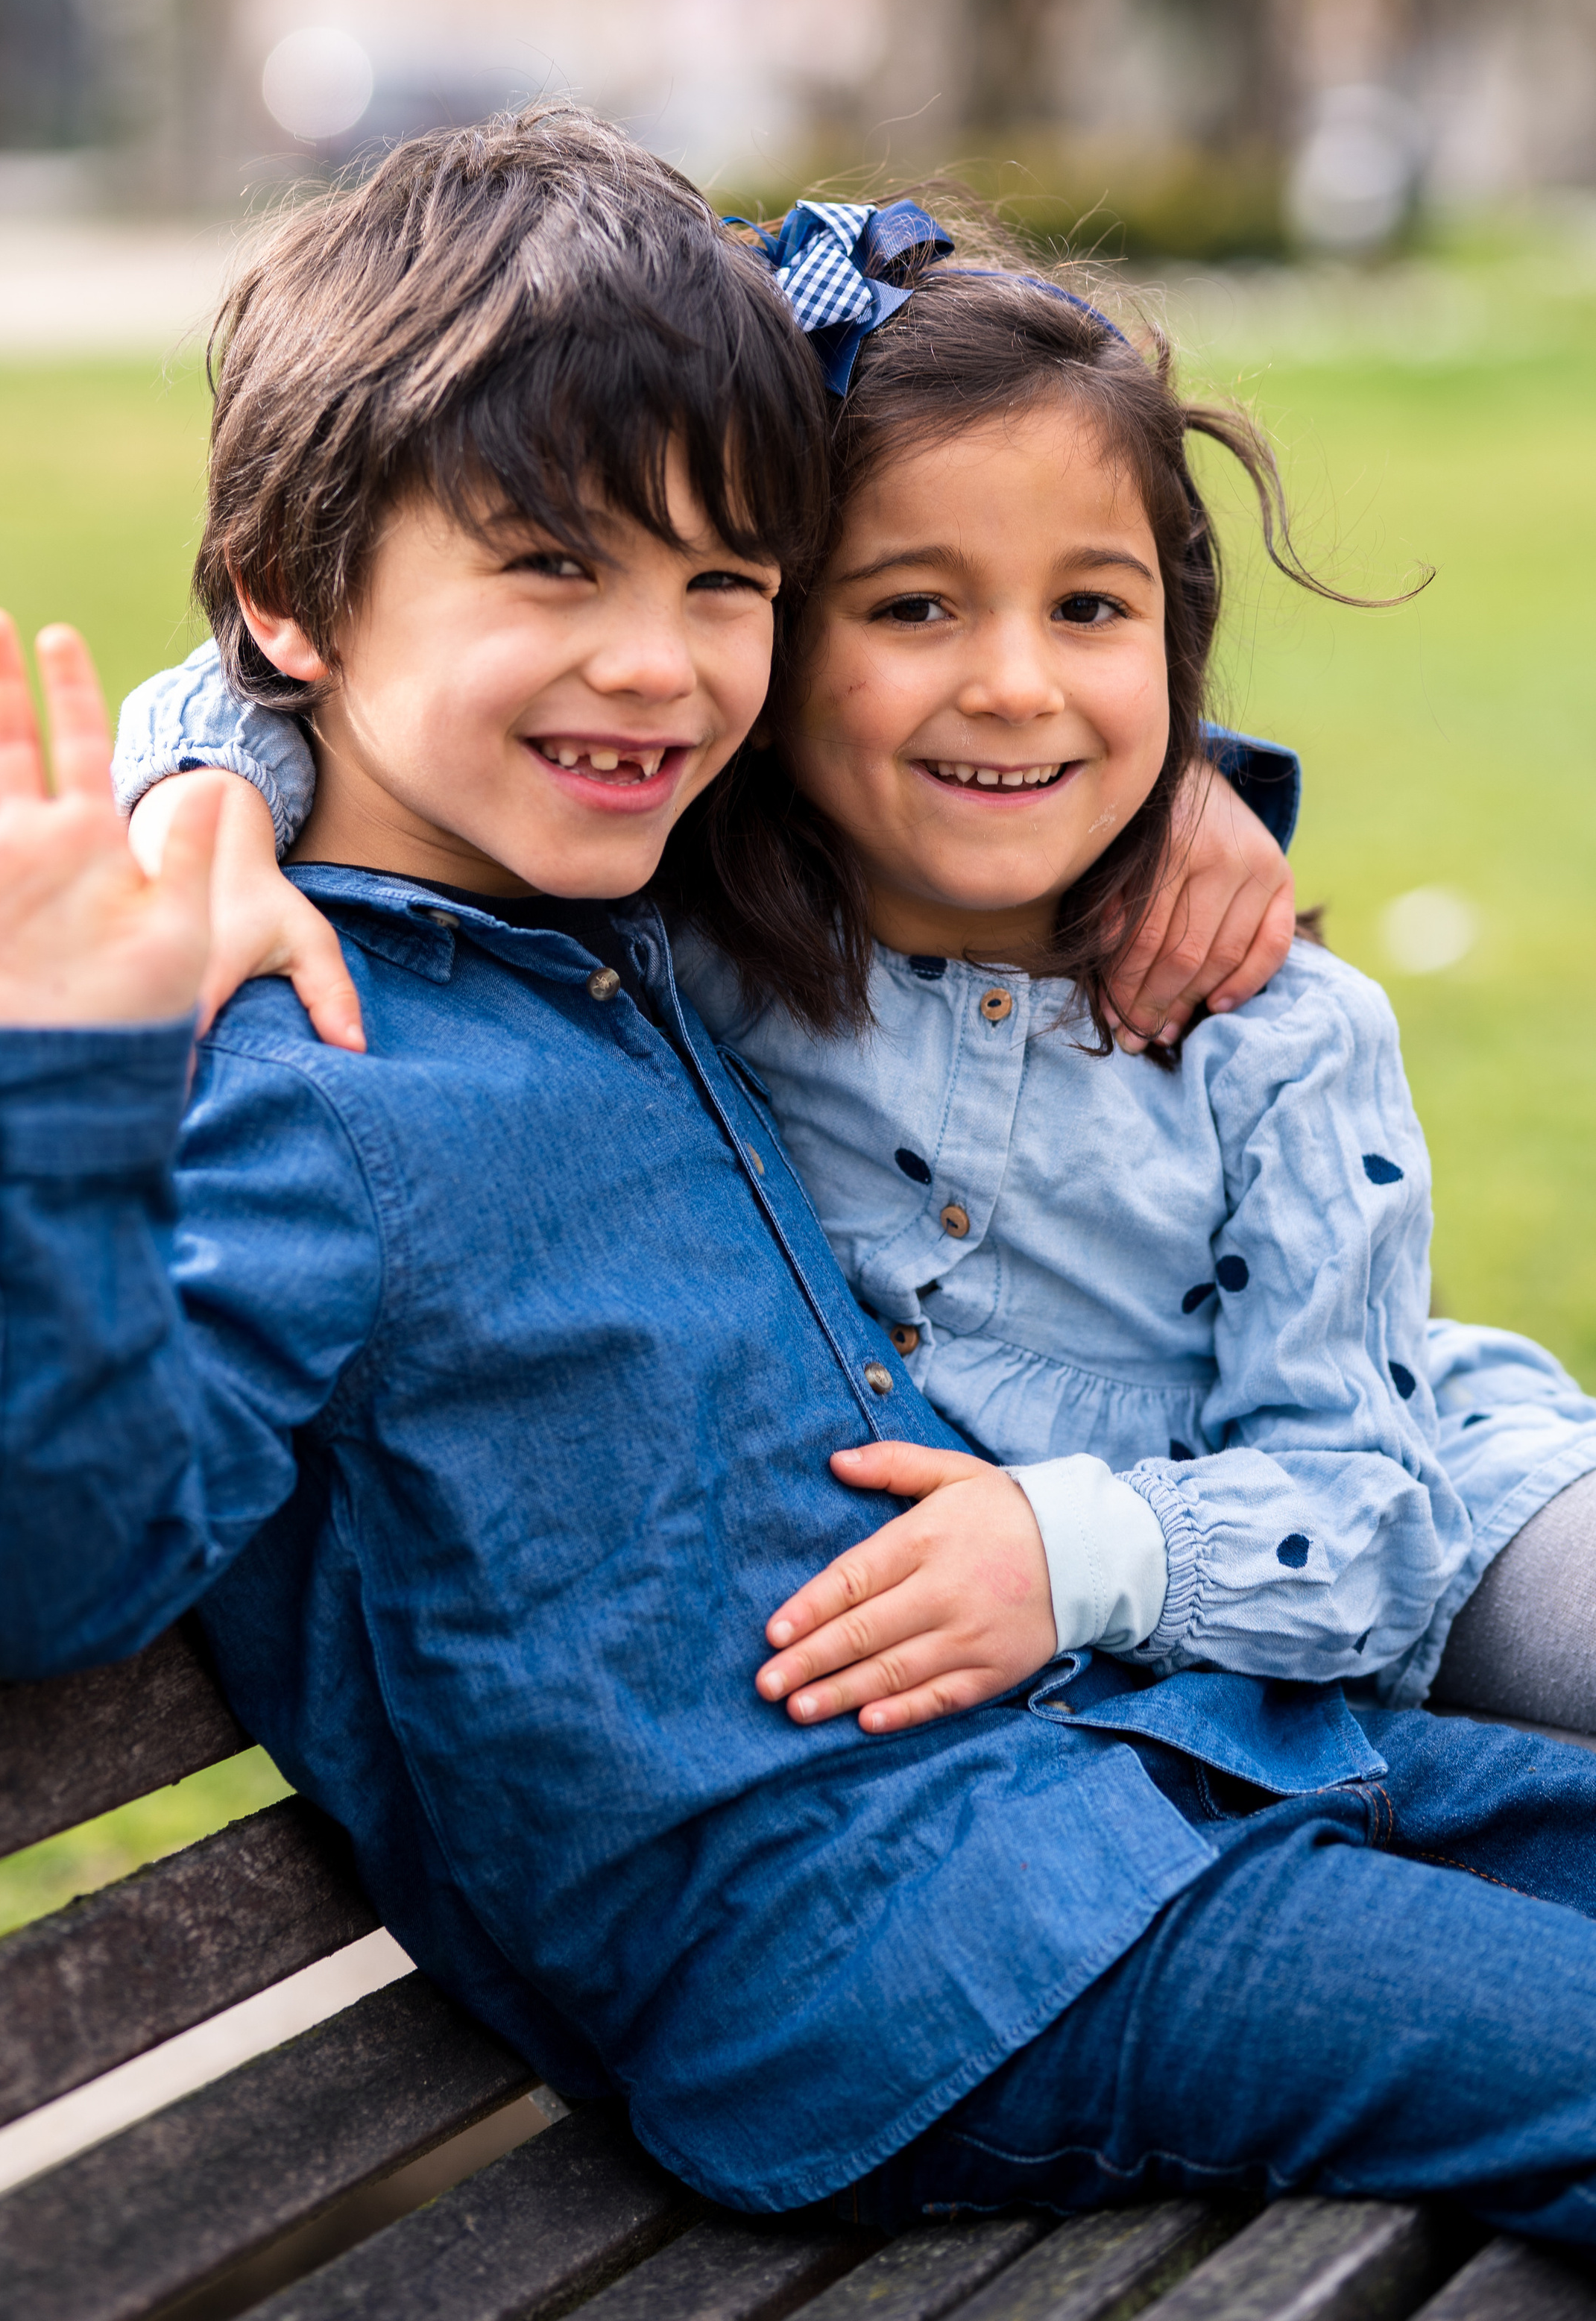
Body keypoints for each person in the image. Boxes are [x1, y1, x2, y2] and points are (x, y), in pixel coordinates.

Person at [0, 108, 1596, 2252]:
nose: (662, 667)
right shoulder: (292, 1058)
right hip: (888, 1959)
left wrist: (1196, 803)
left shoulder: (625, 906)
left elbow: (953, 721)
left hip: (1118, 1771)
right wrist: (50, 1098)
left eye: (725, 583)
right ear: (294, 604)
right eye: (557, 566)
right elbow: (46, 1569)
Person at [118, 192, 1596, 1739]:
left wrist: (1181, 782)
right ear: (768, 642)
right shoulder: (685, 922)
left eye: (1090, 608)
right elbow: (337, 629)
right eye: (911, 607)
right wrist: (207, 792)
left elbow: (1376, 1529)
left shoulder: (1266, 1031)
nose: (1015, 686)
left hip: (1436, 1518)